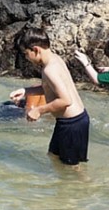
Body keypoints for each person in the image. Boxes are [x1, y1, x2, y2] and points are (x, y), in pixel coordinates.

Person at [10, 26, 89, 166]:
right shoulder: (55, 59)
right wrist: (26, 91)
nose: (26, 58)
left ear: (36, 50)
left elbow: (65, 100)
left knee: (71, 168)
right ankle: (62, 187)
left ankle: (84, 186)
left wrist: (38, 110)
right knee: (53, 156)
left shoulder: (49, 70)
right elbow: (50, 88)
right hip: (70, 122)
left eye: (26, 54)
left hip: (72, 124)